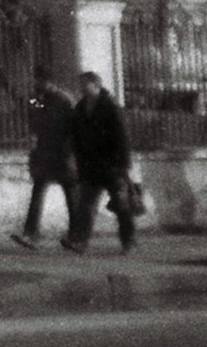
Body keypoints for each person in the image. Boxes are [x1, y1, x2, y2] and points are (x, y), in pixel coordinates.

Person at [63, 69, 138, 254]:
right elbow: (75, 136)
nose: (80, 88)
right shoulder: (80, 108)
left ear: (96, 85)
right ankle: (80, 242)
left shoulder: (111, 106)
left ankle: (129, 242)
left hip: (112, 166)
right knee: (85, 205)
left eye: (84, 84)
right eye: (80, 85)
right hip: (90, 166)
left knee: (121, 205)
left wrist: (125, 166)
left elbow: (123, 138)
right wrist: (74, 159)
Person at [13, 73, 77, 249]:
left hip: (62, 154)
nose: (36, 84)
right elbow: (32, 117)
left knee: (71, 196)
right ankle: (30, 235)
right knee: (38, 193)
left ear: (49, 81)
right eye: (36, 81)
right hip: (44, 154)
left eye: (40, 81)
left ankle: (76, 235)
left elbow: (74, 126)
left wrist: (69, 150)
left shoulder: (64, 100)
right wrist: (32, 104)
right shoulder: (39, 99)